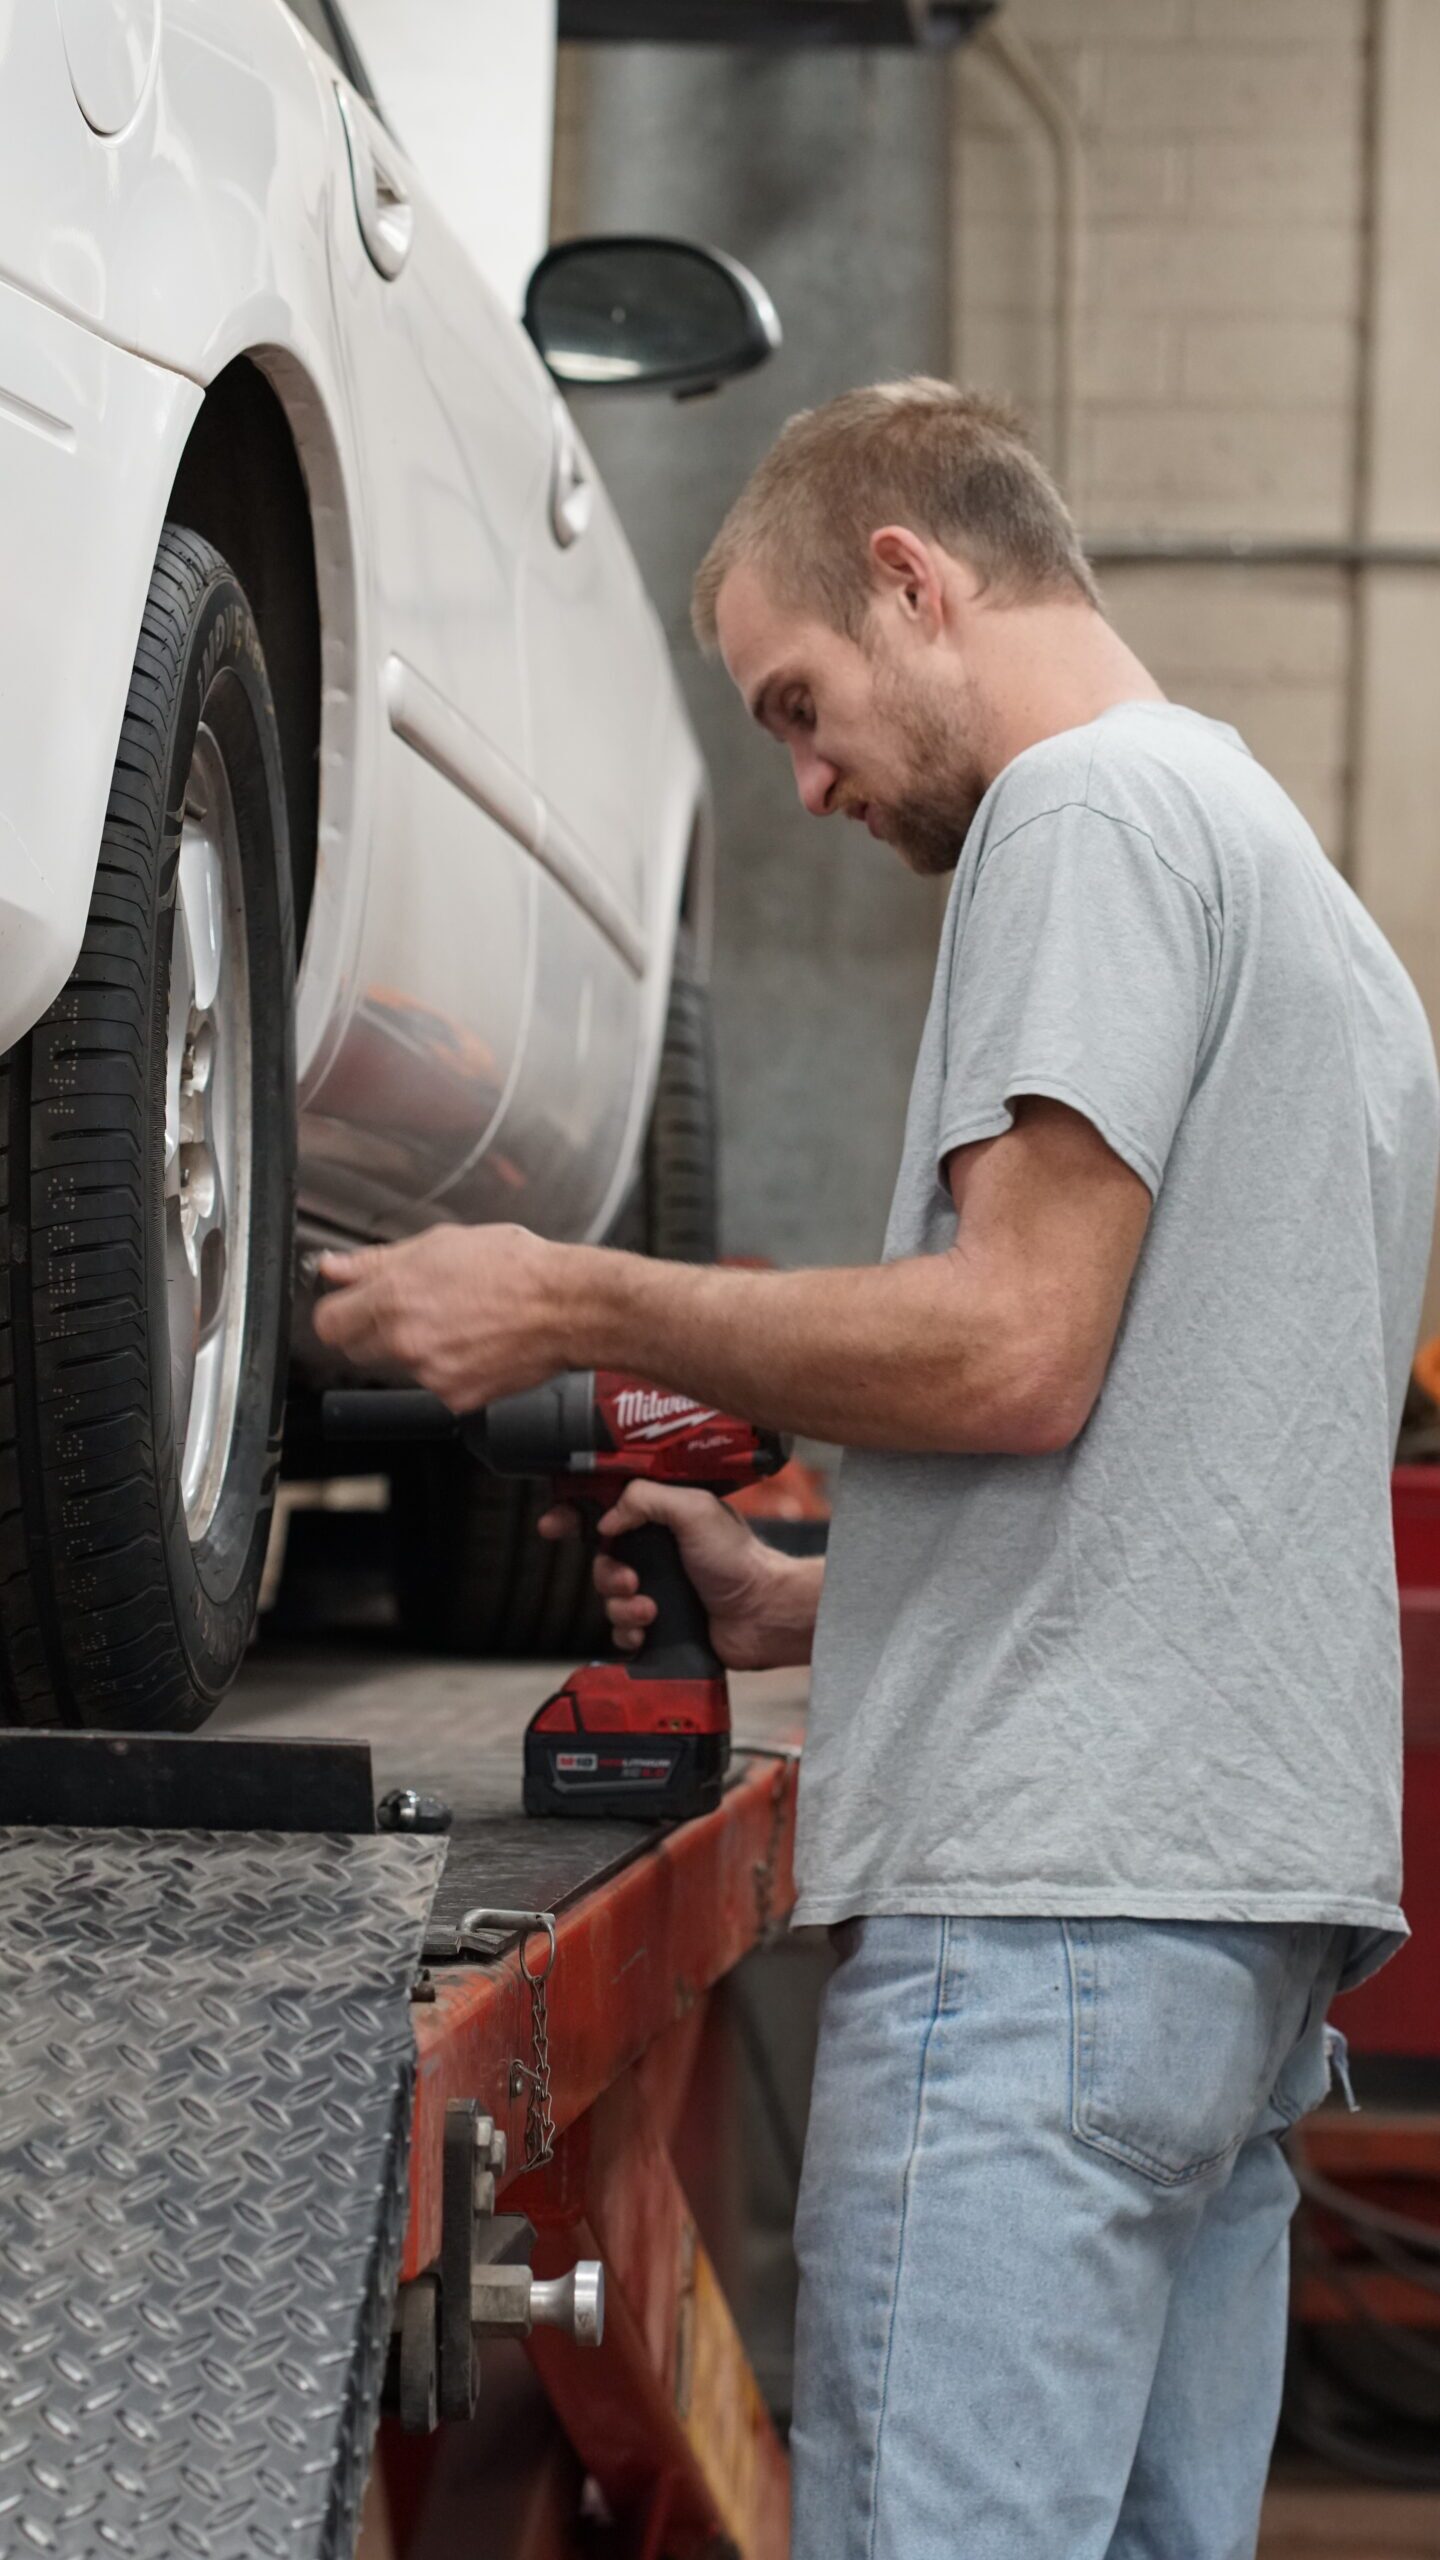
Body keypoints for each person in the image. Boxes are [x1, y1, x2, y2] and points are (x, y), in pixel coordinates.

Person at [314, 381, 1440, 2557]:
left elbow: (1016, 1346)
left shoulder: (1085, 820)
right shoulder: (1304, 895)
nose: (810, 777)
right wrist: (824, 1602)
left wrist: (575, 1292)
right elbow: (1195, 1457)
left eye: (801, 702)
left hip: (1051, 1937)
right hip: (1228, 1942)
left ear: (916, 579)